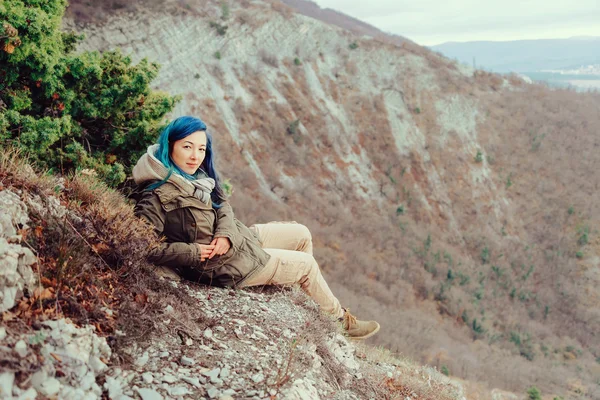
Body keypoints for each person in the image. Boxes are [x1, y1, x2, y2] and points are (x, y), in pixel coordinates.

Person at [132, 116, 380, 340]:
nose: (195, 156)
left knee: (301, 233)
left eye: (201, 149)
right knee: (306, 265)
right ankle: (339, 323)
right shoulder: (155, 195)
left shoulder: (195, 178)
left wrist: (225, 234)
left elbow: (222, 204)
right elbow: (146, 248)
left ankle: (308, 300)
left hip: (238, 240)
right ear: (170, 146)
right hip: (223, 266)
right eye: (187, 147)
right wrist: (194, 252)